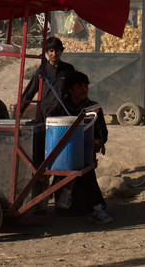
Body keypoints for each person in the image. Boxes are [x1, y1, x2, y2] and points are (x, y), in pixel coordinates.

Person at [50, 71, 113, 223]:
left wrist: (98, 141)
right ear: (70, 89)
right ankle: (96, 207)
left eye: (86, 86)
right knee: (77, 165)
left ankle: (72, 194)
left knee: (84, 167)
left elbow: (102, 133)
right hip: (62, 154)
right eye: (79, 86)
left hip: (85, 152)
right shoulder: (59, 107)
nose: (84, 90)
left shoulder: (93, 108)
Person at [21, 37, 76, 117]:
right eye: (51, 51)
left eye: (56, 51)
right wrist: (19, 112)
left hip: (63, 115)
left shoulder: (68, 69)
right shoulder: (42, 71)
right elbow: (30, 92)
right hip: (44, 114)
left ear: (61, 51)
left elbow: (76, 91)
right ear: (47, 52)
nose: (54, 54)